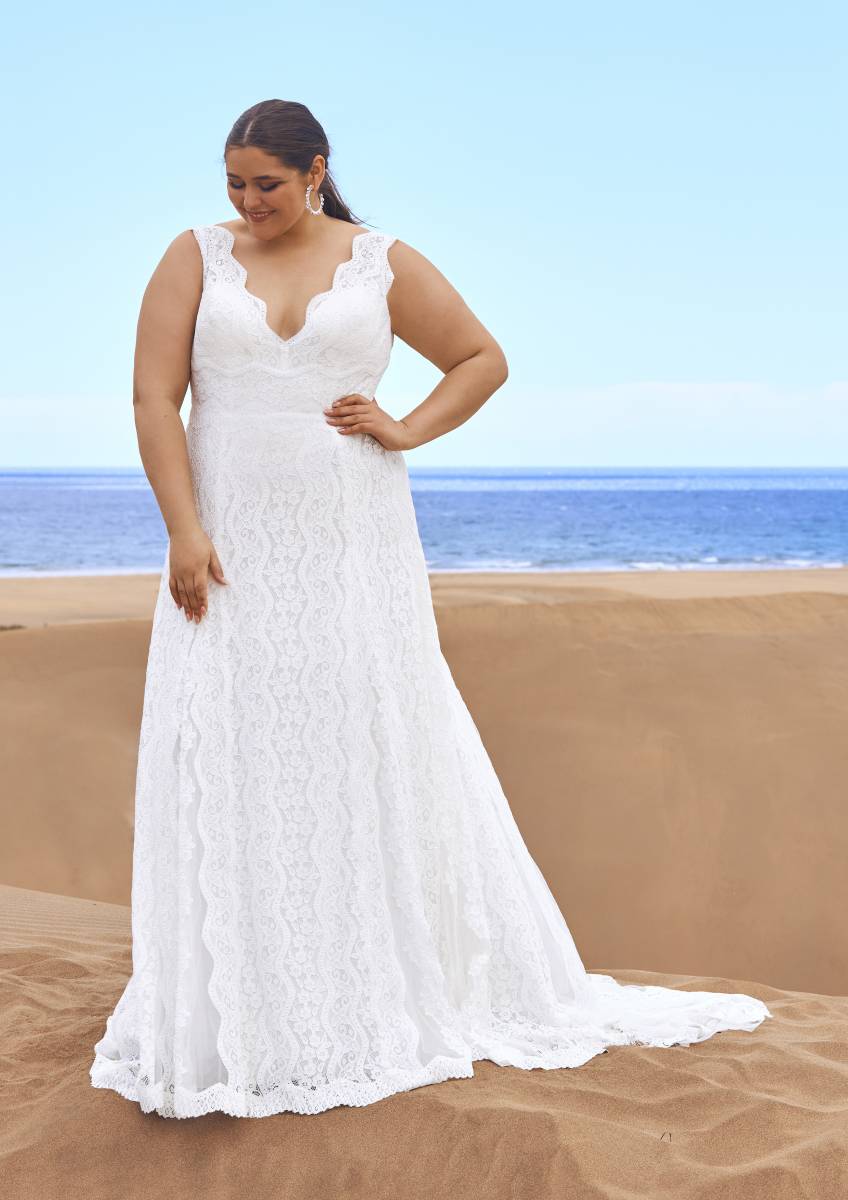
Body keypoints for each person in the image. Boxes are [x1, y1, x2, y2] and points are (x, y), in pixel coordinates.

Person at [89, 99, 771, 1119]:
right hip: (229, 542)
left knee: (356, 741)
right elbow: (155, 399)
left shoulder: (379, 261)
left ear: (315, 170)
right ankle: (248, 1005)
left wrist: (405, 428)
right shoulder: (196, 256)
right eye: (233, 182)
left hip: (354, 544)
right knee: (236, 744)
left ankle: (364, 986)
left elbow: (482, 358)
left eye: (266, 184)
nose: (247, 201)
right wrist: (183, 530)